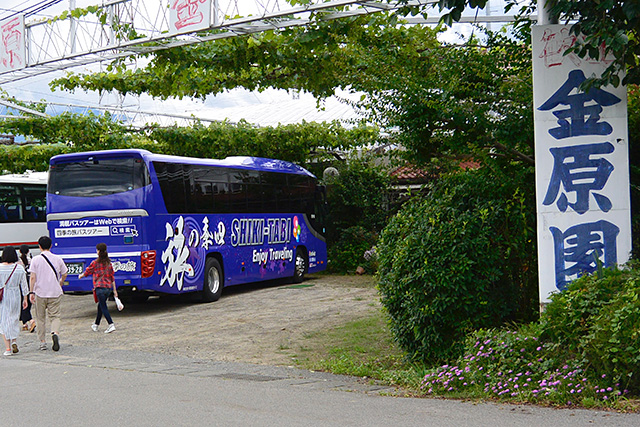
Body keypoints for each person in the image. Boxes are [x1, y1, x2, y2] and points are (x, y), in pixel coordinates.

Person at [29, 236, 68, 351]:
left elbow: (32, 277)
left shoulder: (35, 259)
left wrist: (31, 291)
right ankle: (55, 333)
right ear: (51, 246)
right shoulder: (57, 258)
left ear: (39, 246)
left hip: (40, 292)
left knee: (40, 318)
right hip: (55, 292)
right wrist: (60, 282)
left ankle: (42, 342)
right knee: (55, 316)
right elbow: (65, 273)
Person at [78, 243, 118, 334]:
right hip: (108, 289)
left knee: (103, 307)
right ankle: (96, 325)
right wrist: (115, 291)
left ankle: (111, 324)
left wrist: (81, 276)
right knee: (100, 305)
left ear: (99, 251)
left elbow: (87, 271)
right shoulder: (109, 264)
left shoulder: (95, 263)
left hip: (99, 288)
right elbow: (112, 278)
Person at [0, 246, 29, 356]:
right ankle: (14, 341)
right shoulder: (19, 268)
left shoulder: (0, 268)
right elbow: (24, 286)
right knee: (14, 319)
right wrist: (25, 298)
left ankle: (8, 348)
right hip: (16, 295)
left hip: (4, 296)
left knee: (4, 320)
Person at [18, 245, 36, 333]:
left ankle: (31, 321)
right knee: (28, 304)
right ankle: (25, 324)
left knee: (23, 304)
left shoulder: (18, 262)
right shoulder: (31, 260)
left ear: (20, 251)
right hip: (31, 284)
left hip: (21, 284)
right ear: (28, 251)